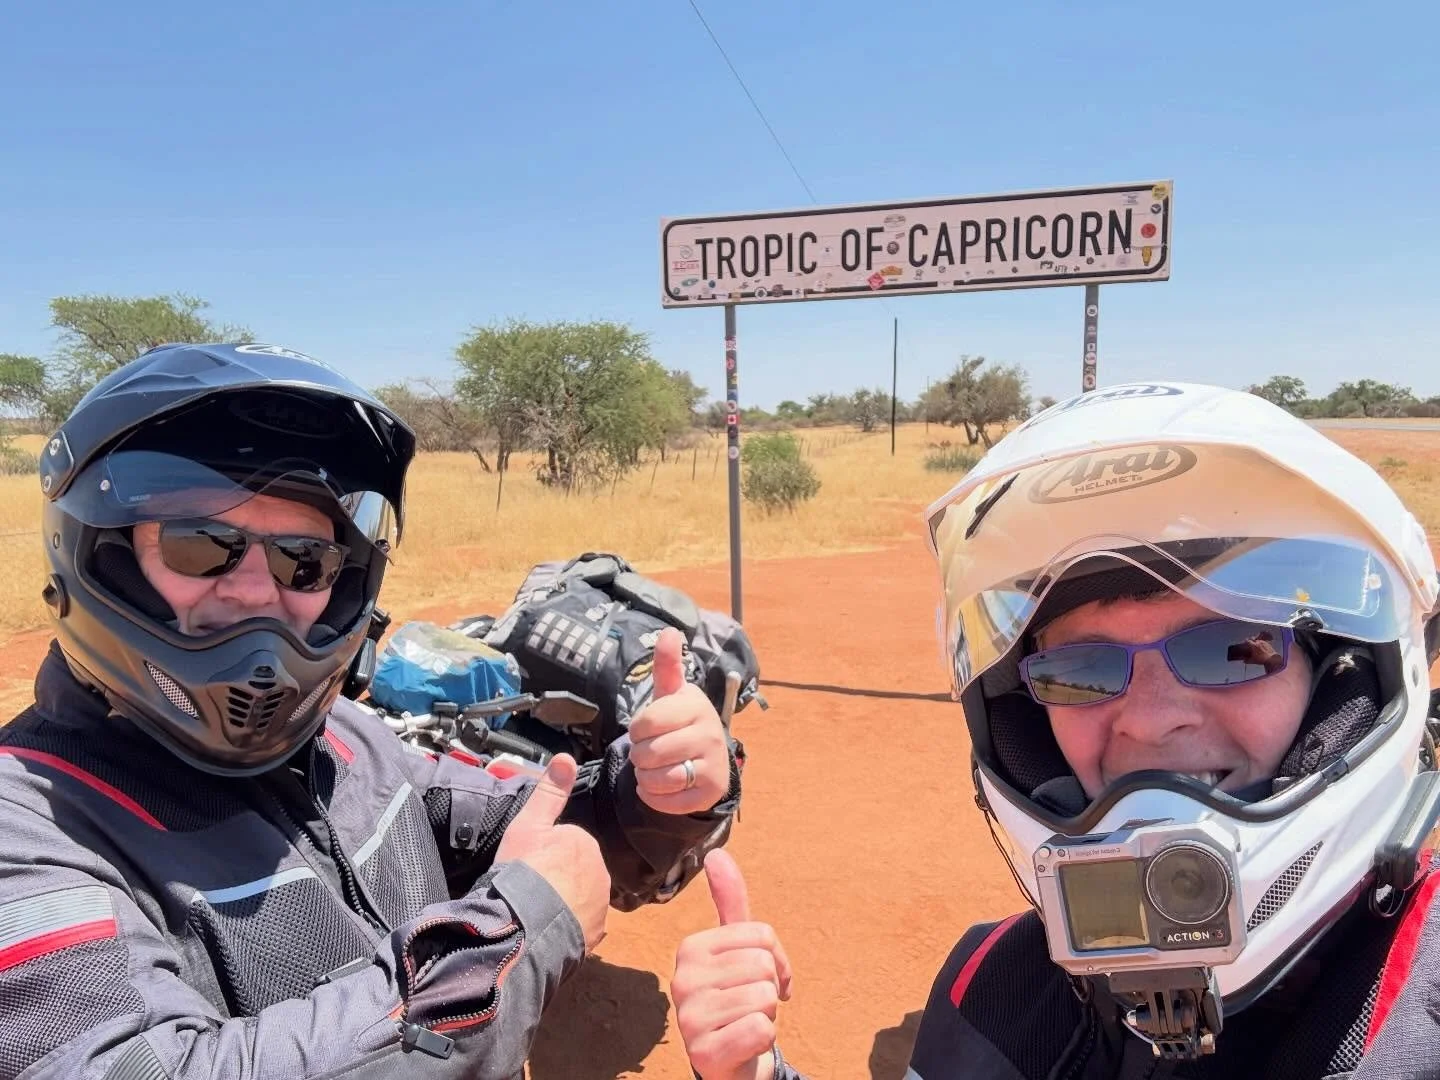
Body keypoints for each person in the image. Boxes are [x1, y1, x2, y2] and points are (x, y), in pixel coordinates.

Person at [0, 342, 743, 1079]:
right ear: (103, 554)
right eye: (203, 544)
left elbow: (529, 826)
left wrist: (652, 791)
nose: (259, 593)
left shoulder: (347, 744)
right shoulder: (29, 826)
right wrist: (503, 943)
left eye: (305, 561)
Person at [671, 381, 1440, 1080]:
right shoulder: (995, 988)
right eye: (1083, 669)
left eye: (1231, 648)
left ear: (1347, 678)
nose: (1148, 718)